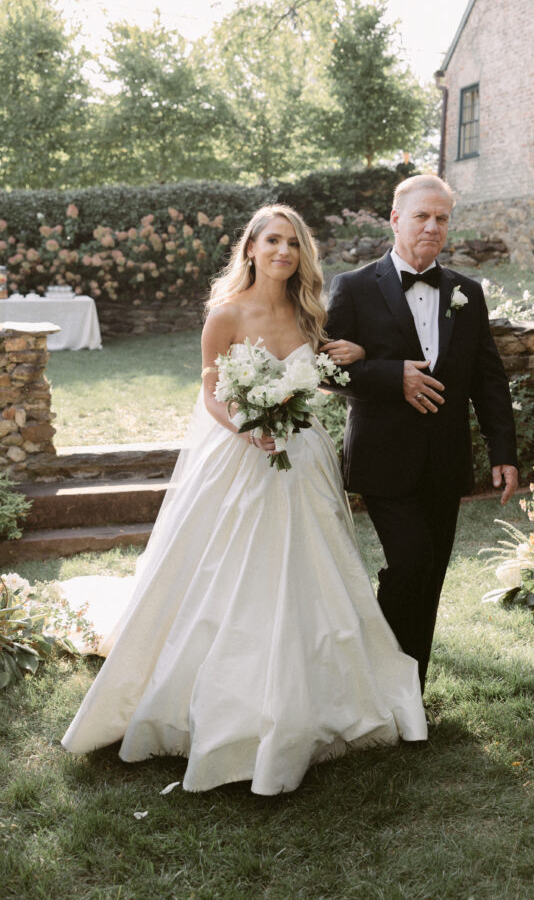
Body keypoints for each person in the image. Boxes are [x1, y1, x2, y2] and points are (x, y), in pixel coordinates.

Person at [61, 204, 427, 794]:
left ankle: (319, 691)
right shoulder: (225, 314)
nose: (284, 251)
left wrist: (353, 358)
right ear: (251, 248)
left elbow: (323, 373)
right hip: (240, 455)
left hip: (302, 460)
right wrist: (245, 425)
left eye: (293, 243)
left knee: (310, 568)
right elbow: (210, 389)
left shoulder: (312, 314)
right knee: (226, 569)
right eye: (273, 241)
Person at [325, 174, 518, 691]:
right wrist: (394, 375)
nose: (433, 227)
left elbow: (488, 378)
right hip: (384, 457)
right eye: (421, 216)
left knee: (429, 577)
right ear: (395, 219)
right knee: (410, 564)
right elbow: (323, 369)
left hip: (445, 458)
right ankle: (378, 682)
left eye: (442, 218)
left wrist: (504, 451)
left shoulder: (467, 293)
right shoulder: (354, 287)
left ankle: (410, 692)